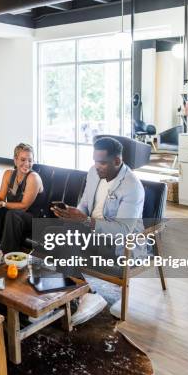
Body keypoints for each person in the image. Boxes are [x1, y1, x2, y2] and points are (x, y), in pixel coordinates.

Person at [52, 136, 145, 321]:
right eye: (94, 160)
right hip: (92, 230)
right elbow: (84, 205)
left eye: (102, 162)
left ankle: (82, 295)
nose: (96, 166)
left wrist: (86, 221)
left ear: (117, 161)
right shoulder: (93, 173)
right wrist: (72, 213)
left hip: (118, 242)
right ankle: (78, 295)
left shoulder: (132, 186)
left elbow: (123, 231)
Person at [0, 143, 44, 252]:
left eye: (30, 160)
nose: (27, 164)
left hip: (33, 219)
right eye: (23, 160)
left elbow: (24, 207)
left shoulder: (33, 178)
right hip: (14, 214)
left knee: (12, 215)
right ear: (15, 160)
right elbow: (1, 197)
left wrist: (3, 204)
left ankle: (7, 256)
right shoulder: (8, 174)